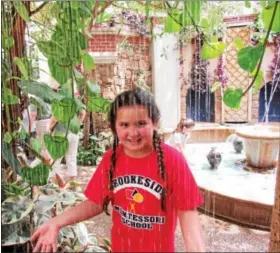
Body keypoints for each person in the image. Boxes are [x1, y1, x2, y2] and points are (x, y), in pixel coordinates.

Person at [30, 88, 205, 253]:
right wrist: (56, 223)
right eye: (124, 125)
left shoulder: (173, 161)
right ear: (114, 127)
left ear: (155, 123)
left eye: (141, 123)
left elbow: (189, 219)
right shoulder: (111, 159)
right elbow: (96, 203)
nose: (133, 132)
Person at [49, 90, 86, 183]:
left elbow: (54, 119)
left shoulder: (61, 101)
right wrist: (77, 123)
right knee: (72, 158)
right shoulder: (77, 102)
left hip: (60, 133)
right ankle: (72, 181)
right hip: (74, 134)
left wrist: (49, 129)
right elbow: (83, 113)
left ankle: (57, 181)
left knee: (55, 158)